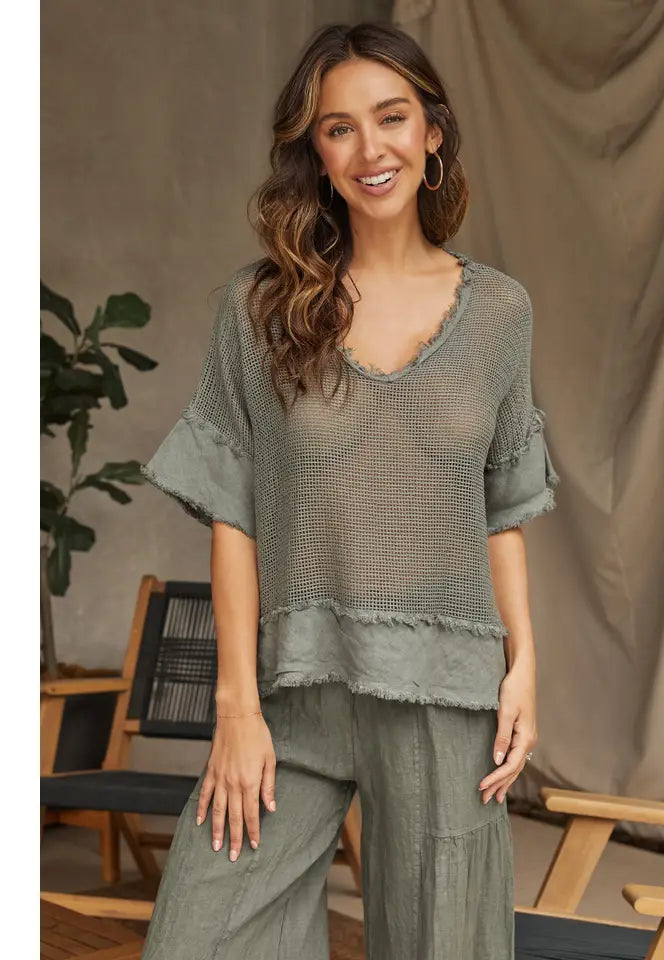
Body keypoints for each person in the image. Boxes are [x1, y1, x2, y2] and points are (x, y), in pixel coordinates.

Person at [139, 19, 559, 960]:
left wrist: (524, 662)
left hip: (447, 696)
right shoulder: (260, 308)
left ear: (432, 133)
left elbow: (502, 513)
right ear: (317, 155)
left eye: (392, 117)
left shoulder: (501, 312)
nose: (371, 149)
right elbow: (234, 513)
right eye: (340, 128)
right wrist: (236, 707)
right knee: (200, 937)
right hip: (294, 691)